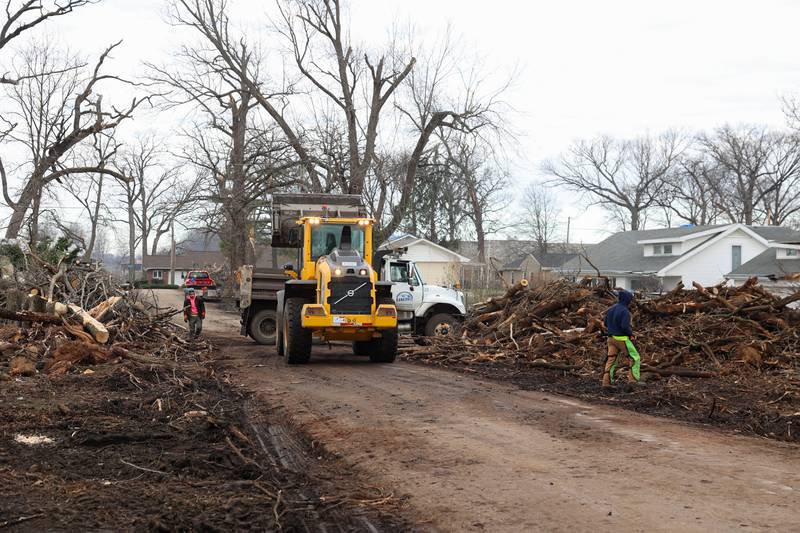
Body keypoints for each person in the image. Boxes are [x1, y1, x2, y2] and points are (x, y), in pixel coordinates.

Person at [602, 289, 641, 388]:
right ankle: (633, 381)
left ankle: (606, 383)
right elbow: (624, 326)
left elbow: (605, 323)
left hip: (610, 339)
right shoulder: (625, 311)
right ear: (627, 300)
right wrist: (630, 334)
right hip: (622, 339)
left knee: (611, 360)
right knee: (635, 358)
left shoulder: (611, 309)